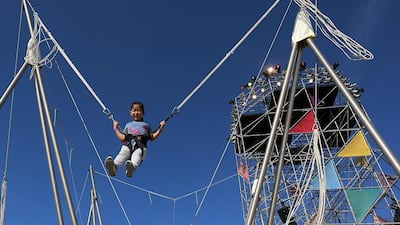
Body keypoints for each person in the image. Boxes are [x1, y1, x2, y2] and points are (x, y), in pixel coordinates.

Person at [105, 101, 166, 177]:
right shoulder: (128, 125)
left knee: (137, 154)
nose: (136, 113)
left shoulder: (146, 125)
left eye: (138, 110)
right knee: (123, 152)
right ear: (130, 112)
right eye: (134, 110)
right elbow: (123, 138)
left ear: (143, 113)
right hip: (128, 144)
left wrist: (161, 128)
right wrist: (115, 128)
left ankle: (132, 168)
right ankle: (114, 167)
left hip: (141, 145)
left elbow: (152, 137)